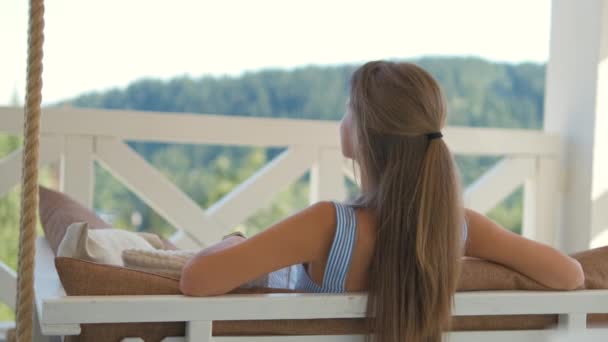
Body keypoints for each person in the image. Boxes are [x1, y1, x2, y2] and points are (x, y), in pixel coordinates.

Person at [180, 61, 584, 342]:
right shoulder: (457, 229)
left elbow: (197, 279)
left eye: (348, 110)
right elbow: (569, 275)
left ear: (364, 134)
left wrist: (234, 240)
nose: (342, 119)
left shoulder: (327, 225)